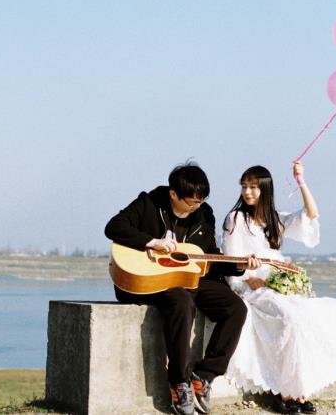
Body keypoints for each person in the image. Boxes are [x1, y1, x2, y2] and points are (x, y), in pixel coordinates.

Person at [105, 162, 260, 415]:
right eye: (191, 202)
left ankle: (204, 375)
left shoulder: (204, 214)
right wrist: (151, 242)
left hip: (191, 278)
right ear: (173, 194)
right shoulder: (149, 203)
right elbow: (113, 227)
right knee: (181, 302)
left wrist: (239, 266)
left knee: (236, 308)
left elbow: (208, 257)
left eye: (201, 201)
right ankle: (179, 381)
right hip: (151, 280)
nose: (197, 207)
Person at [222, 161, 336, 414]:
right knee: (289, 318)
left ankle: (300, 390)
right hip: (252, 285)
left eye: (253, 187)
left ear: (265, 189)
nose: (247, 192)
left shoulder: (276, 218)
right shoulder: (236, 218)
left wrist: (301, 181)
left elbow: (311, 214)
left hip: (277, 284)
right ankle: (284, 391)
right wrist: (247, 278)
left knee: (306, 317)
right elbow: (231, 260)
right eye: (244, 186)